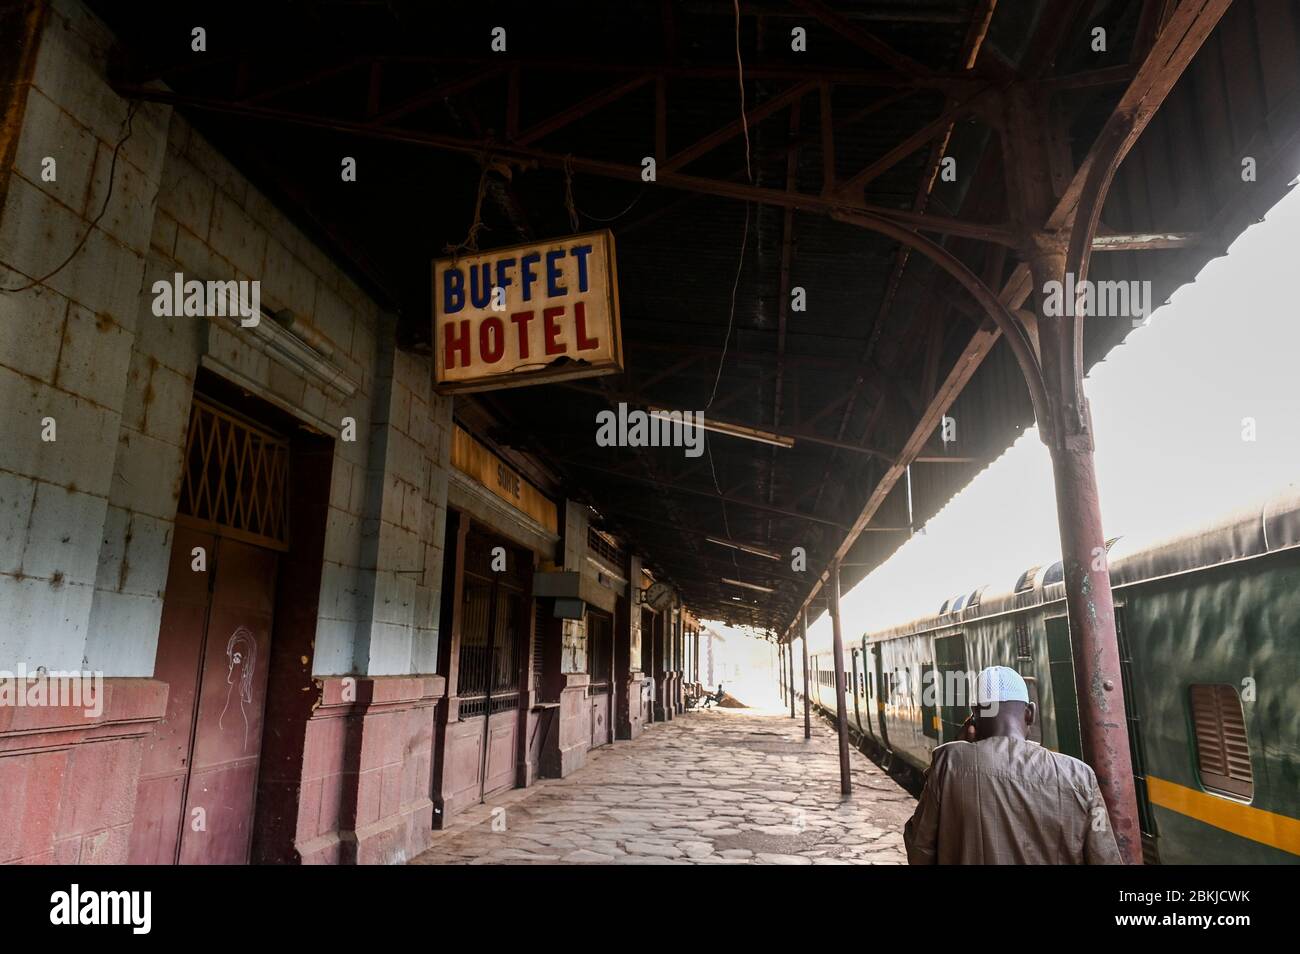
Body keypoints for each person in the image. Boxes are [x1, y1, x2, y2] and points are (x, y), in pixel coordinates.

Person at [903, 665, 1122, 865]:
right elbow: (1105, 856)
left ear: (974, 717)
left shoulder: (949, 762)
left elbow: (918, 847)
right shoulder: (1080, 776)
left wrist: (960, 747)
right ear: (1030, 713)